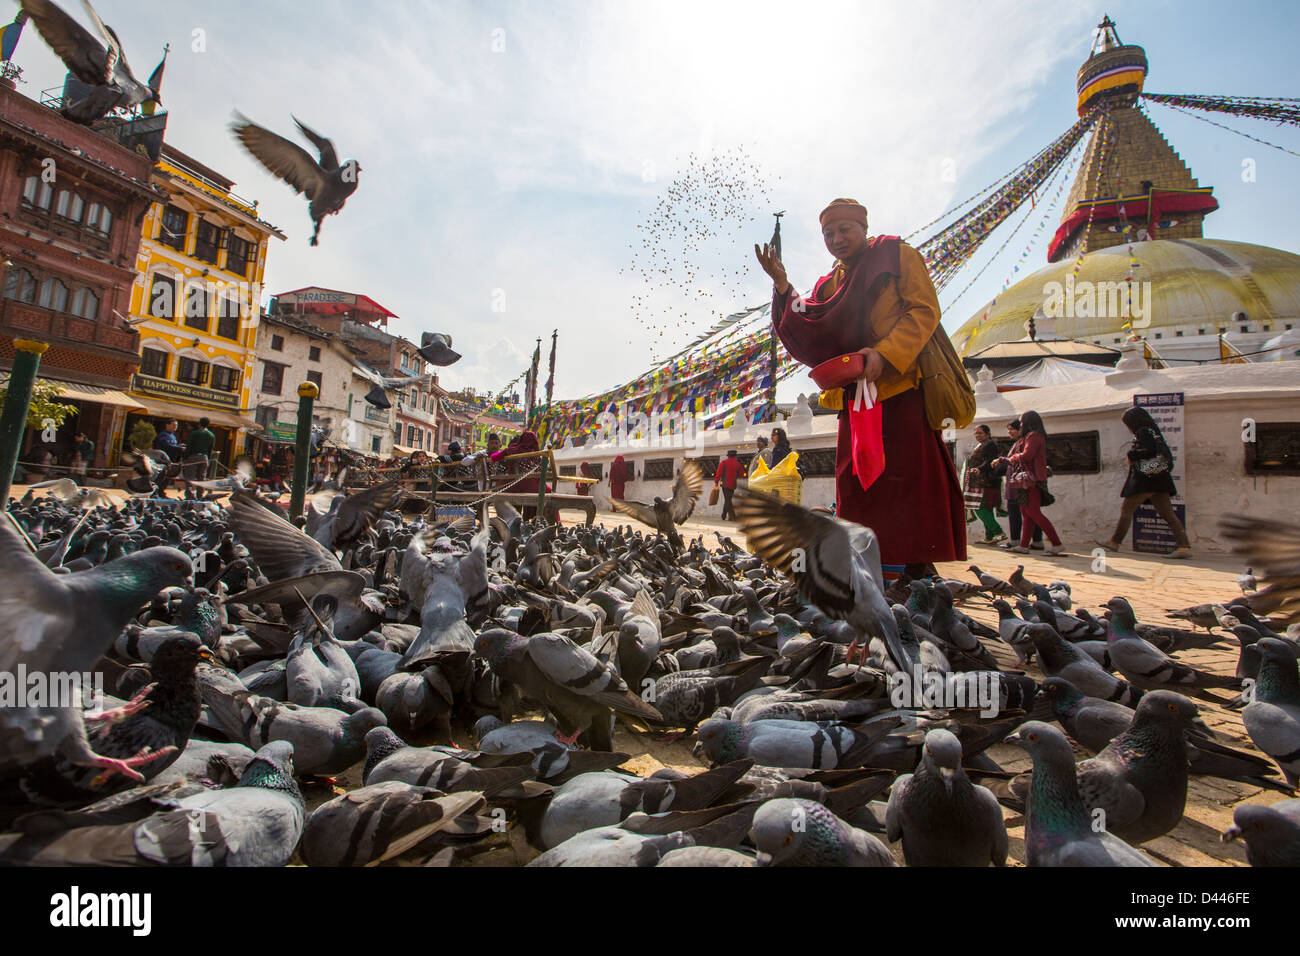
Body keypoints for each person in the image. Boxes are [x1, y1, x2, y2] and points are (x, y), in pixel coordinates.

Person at [757, 197, 965, 580]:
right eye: (828, 233)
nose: (837, 239)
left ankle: (916, 570)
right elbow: (809, 328)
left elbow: (923, 311)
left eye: (844, 230)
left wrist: (885, 355)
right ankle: (875, 569)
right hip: (853, 397)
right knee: (859, 487)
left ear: (864, 228)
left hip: (900, 388)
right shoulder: (828, 283)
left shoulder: (897, 256)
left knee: (907, 481)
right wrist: (783, 286)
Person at [1096, 406, 1192, 558]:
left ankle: (1114, 542)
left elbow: (1149, 451)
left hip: (1146, 480)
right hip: (1160, 479)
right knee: (1167, 514)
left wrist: (1131, 454)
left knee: (1127, 510)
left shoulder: (1143, 431)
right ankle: (1184, 546)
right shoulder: (1153, 431)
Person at [992, 410, 1062, 555]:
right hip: (1026, 480)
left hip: (1032, 480)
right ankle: (1024, 545)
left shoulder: (1034, 436)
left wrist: (1013, 458)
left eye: (1022, 422)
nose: (1021, 425)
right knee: (1026, 511)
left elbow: (1027, 456)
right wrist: (1003, 460)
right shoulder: (1028, 437)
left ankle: (1056, 543)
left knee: (1033, 511)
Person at [997, 419, 1043, 550]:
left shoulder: (1024, 443)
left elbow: (1019, 459)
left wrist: (1001, 460)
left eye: (1012, 429)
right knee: (1027, 513)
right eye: (1008, 429)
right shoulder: (1020, 442)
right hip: (1017, 482)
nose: (1009, 432)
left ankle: (1021, 541)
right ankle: (1031, 541)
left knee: (1023, 512)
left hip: (1020, 483)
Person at [965, 424, 1006, 544]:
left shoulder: (990, 444)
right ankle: (989, 537)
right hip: (978, 481)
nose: (977, 435)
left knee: (979, 507)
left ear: (987, 434)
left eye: (980, 433)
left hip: (984, 482)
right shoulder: (982, 445)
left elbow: (989, 461)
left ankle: (998, 532)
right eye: (975, 433)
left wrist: (980, 469)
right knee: (986, 508)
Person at [183, 417, 215, 485]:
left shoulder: (195, 433)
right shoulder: (211, 435)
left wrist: (185, 457)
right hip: (204, 457)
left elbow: (189, 446)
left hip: (193, 456)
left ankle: (190, 494)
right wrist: (208, 459)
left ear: (199, 424)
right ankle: (200, 494)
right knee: (202, 477)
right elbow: (210, 449)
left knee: (190, 476)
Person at [714, 449, 744, 520]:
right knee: (728, 499)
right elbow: (742, 474)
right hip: (733, 485)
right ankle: (732, 516)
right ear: (735, 456)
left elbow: (719, 473)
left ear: (728, 456)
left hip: (724, 484)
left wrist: (716, 482)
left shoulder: (723, 463)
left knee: (728, 499)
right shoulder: (737, 464)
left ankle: (724, 515)